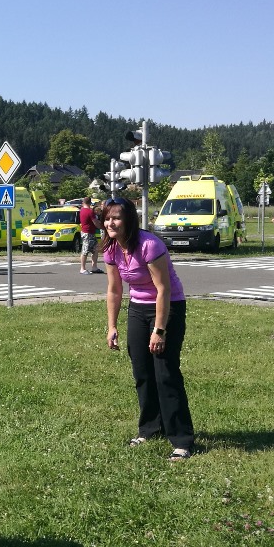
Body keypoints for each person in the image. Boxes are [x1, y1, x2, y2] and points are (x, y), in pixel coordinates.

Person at [102, 196, 195, 461]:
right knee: (142, 372)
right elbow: (114, 289)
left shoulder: (149, 245)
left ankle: (181, 439)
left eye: (116, 217)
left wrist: (160, 330)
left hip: (168, 307)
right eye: (108, 218)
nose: (111, 222)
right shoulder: (111, 248)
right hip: (138, 309)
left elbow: (163, 289)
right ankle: (150, 428)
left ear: (129, 219)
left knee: (165, 373)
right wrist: (111, 326)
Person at [79, 196, 103, 274]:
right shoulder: (89, 211)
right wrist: (102, 226)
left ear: (83, 202)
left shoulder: (82, 210)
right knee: (85, 251)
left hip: (88, 232)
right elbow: (95, 222)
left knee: (95, 249)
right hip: (88, 233)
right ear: (90, 202)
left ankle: (94, 267)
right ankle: (82, 268)